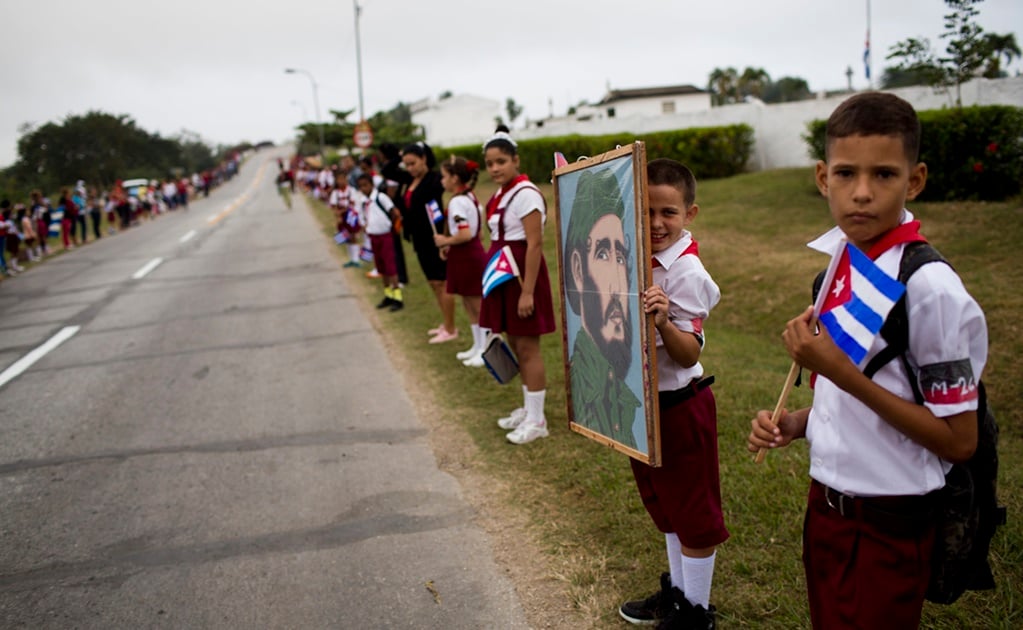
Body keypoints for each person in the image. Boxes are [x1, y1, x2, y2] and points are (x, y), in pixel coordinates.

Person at [746, 92, 987, 629]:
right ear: (821, 177)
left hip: (889, 520)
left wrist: (840, 374)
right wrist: (798, 422)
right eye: (845, 173)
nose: (861, 193)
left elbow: (959, 440)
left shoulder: (931, 291)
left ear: (915, 180)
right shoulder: (841, 261)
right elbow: (857, 393)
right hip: (827, 507)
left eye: (883, 175)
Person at [617, 158, 726, 628]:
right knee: (668, 508)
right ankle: (680, 596)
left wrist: (663, 320)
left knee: (694, 515)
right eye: (646, 212)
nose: (657, 223)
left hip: (680, 406)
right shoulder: (630, 255)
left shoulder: (686, 273)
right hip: (645, 404)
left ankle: (695, 613)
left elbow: (686, 355)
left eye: (669, 213)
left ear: (690, 214)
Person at [480, 126, 557, 444]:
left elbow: (534, 245)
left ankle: (538, 421)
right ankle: (529, 410)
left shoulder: (525, 193)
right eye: (490, 163)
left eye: (501, 161)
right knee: (516, 343)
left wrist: (527, 292)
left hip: (523, 277)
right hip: (504, 276)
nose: (495, 168)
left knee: (528, 348)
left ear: (515, 160)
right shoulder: (502, 193)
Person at [563, 166, 642, 447]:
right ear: (577, 268)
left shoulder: (621, 394)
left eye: (620, 257)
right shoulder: (584, 385)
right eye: (603, 253)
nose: (619, 286)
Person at [433, 155, 490, 367]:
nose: (441, 181)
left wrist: (444, 240)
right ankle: (477, 345)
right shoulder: (471, 198)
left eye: (444, 176)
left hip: (468, 255)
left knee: (477, 304)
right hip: (466, 254)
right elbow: (480, 233)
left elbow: (465, 234)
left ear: (455, 178)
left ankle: (485, 348)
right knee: (468, 303)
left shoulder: (458, 201)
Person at [399, 142, 458, 343]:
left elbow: (436, 212)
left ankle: (451, 328)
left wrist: (443, 240)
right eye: (406, 164)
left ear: (424, 158)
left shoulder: (433, 180)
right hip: (419, 240)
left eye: (413, 163)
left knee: (442, 283)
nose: (410, 168)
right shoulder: (411, 180)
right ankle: (446, 323)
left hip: (433, 237)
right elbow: (389, 170)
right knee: (433, 283)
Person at [358, 173, 403, 312]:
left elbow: (394, 211)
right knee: (381, 267)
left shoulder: (380, 197)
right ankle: (388, 294)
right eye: (361, 186)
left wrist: (393, 225)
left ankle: (398, 297)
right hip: (373, 236)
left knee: (390, 266)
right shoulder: (363, 201)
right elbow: (363, 217)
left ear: (372, 184)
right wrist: (365, 225)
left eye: (366, 185)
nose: (364, 188)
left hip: (385, 235)